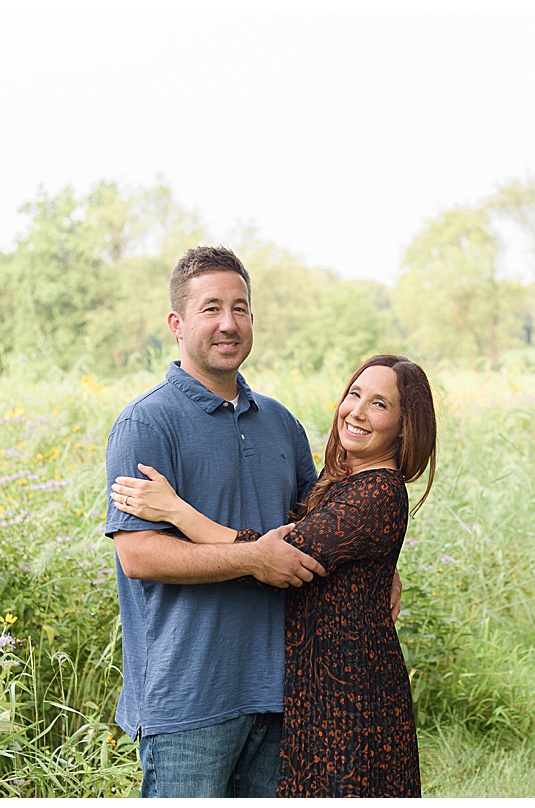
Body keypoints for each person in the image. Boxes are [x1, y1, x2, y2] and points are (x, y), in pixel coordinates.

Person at [111, 354, 437, 798]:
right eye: (354, 394)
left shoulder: (368, 484)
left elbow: (280, 556)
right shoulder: (146, 422)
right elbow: (302, 531)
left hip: (345, 697)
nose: (357, 411)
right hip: (299, 693)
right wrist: (377, 564)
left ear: (405, 427)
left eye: (380, 404)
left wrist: (176, 511)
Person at [106, 245, 357, 799]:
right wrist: (252, 558)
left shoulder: (280, 422)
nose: (228, 323)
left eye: (240, 308)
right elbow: (139, 555)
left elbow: (321, 530)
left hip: (281, 689)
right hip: (188, 700)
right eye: (211, 308)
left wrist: (379, 569)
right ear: (177, 323)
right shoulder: (146, 424)